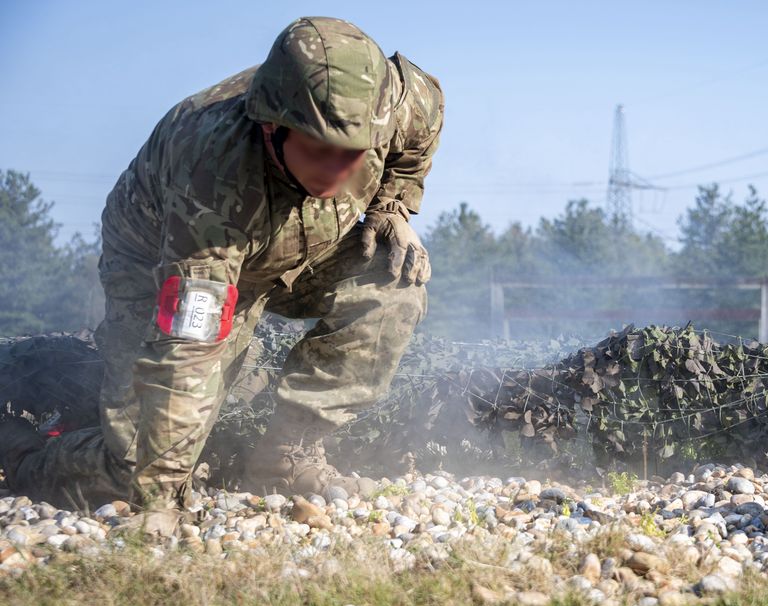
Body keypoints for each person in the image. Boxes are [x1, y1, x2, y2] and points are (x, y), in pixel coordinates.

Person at [0, 17, 444, 534]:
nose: (341, 169)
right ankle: (20, 448)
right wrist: (159, 498)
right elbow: (185, 348)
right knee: (133, 467)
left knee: (394, 281)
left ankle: (286, 456)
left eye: (355, 152)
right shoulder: (211, 179)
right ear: (272, 126)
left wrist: (392, 205)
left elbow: (423, 120)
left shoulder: (391, 101)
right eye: (320, 150)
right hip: (167, 260)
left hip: (306, 240)